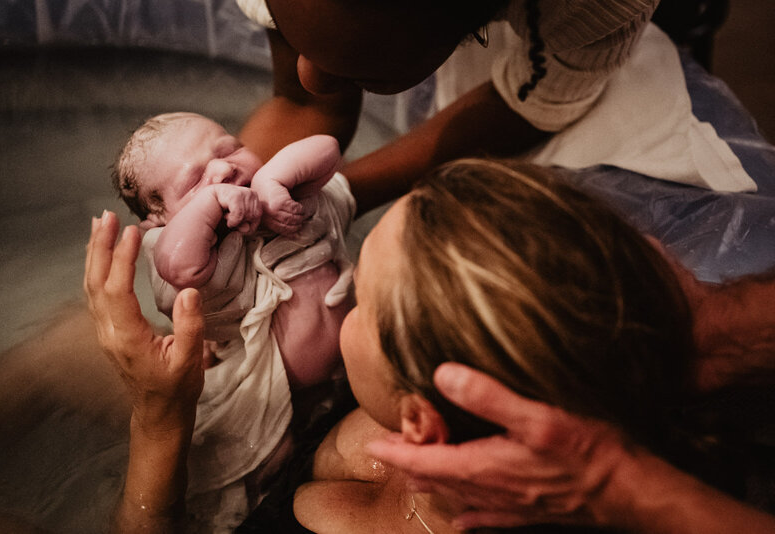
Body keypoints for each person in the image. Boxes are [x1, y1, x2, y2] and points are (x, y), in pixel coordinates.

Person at [84, 159, 775, 533]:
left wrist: (160, 419)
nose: (345, 295)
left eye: (363, 302)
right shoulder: (585, 370)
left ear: (421, 421)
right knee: (62, 353)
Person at [110, 111, 356, 529]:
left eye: (230, 149)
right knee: (258, 473)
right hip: (270, 397)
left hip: (348, 370)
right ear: (160, 221)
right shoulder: (208, 269)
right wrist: (212, 203)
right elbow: (177, 264)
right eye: (195, 182)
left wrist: (270, 181)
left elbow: (327, 148)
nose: (224, 167)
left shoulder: (289, 197)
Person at [235, 0, 664, 212]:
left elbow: (532, 103)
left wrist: (343, 197)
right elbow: (306, 102)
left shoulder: (597, 7)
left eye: (360, 73)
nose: (310, 77)